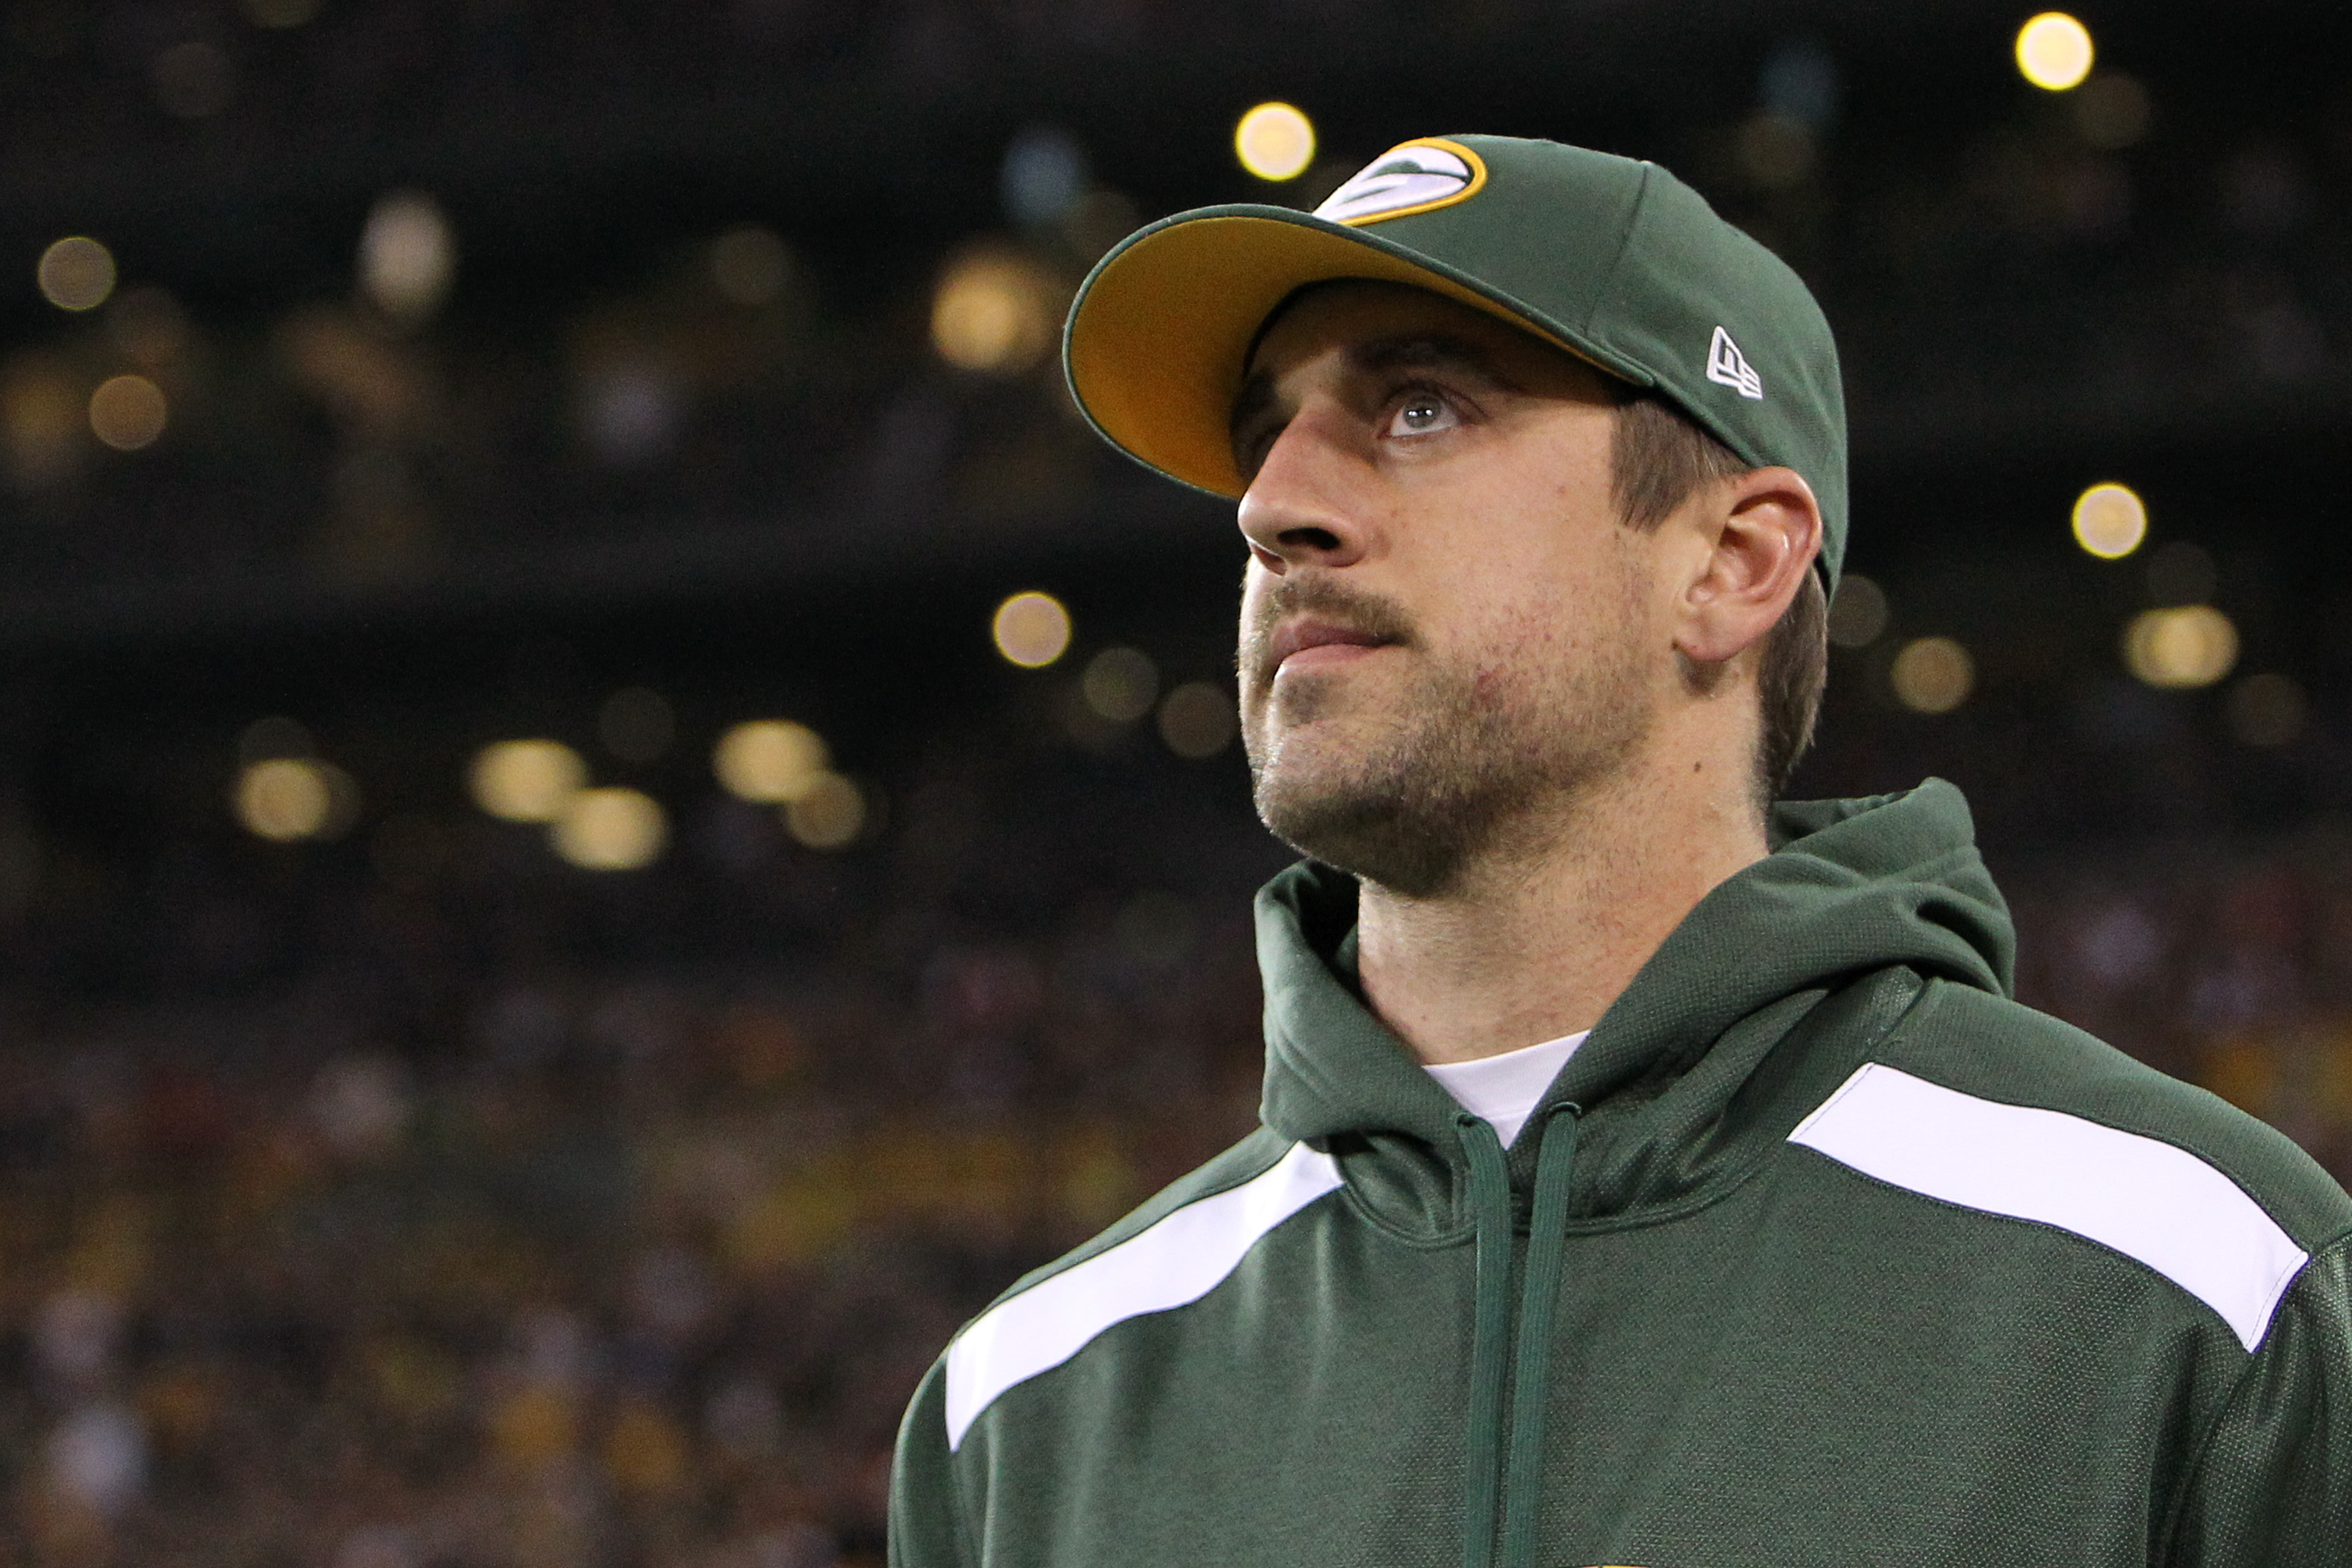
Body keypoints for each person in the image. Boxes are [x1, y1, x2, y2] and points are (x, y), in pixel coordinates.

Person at [888, 135, 2352, 1567]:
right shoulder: (1027, 1414)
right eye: (1269, 430)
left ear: (1732, 562)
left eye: (1419, 408)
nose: (1273, 504)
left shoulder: (2196, 1293)